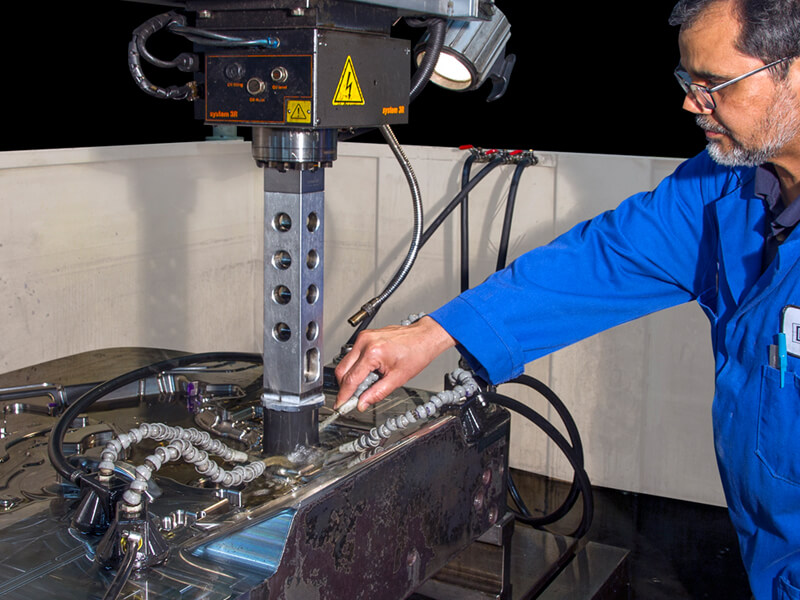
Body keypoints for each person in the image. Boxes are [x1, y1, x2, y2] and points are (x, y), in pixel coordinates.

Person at [335, 0, 800, 597]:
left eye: (714, 84)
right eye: (687, 80)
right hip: (765, 555)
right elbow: (603, 259)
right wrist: (434, 332)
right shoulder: (725, 187)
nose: (690, 103)